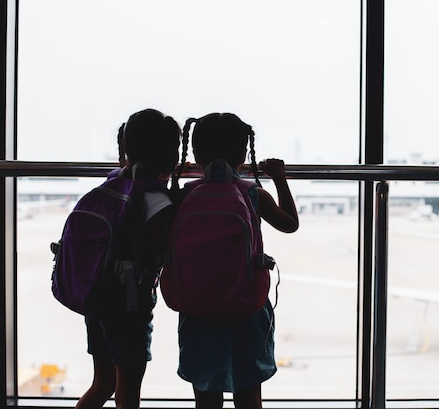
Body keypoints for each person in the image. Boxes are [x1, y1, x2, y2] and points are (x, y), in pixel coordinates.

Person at [175, 112, 299, 409]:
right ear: (244, 154)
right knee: (248, 396)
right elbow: (290, 223)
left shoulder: (186, 194)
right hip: (246, 307)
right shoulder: (252, 194)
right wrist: (279, 179)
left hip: (197, 307)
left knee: (206, 396)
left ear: (195, 154)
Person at [76, 108, 181, 409]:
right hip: (129, 306)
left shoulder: (112, 183)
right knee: (127, 393)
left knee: (103, 383)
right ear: (170, 156)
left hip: (96, 297)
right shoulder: (156, 197)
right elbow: (158, 250)